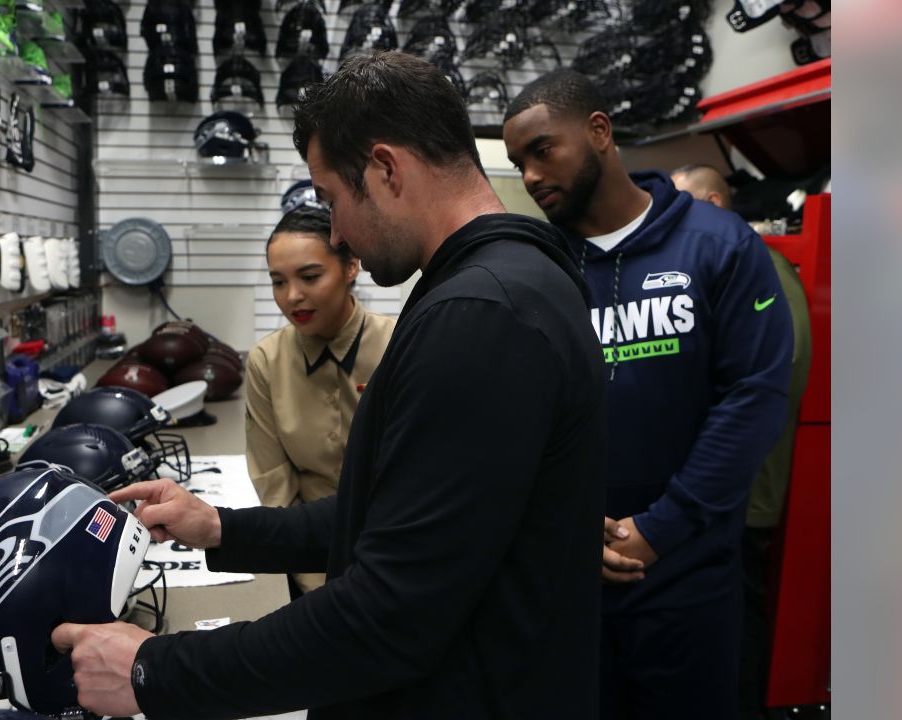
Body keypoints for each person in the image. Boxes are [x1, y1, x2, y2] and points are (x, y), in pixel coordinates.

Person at [51, 52, 607, 719]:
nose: (337, 230)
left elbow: (388, 617)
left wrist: (153, 670)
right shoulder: (497, 288)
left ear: (385, 168)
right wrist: (222, 528)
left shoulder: (484, 314)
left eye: (332, 201)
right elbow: (393, 516)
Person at [502, 69, 794, 720]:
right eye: (518, 161)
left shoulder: (719, 245)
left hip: (687, 579)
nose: (529, 175)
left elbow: (754, 399)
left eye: (543, 149)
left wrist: (661, 527)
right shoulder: (538, 266)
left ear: (600, 132)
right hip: (569, 582)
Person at [672, 163, 814, 719]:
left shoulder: (759, 265)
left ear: (713, 201)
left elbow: (785, 363)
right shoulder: (708, 266)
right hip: (715, 494)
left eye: (683, 202)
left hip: (744, 493)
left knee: (739, 636)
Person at [245, 205, 395, 595]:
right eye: (278, 282)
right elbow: (274, 485)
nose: (292, 296)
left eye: (310, 276)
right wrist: (317, 581)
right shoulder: (267, 362)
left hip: (397, 563)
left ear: (350, 267)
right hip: (309, 566)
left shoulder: (400, 344)